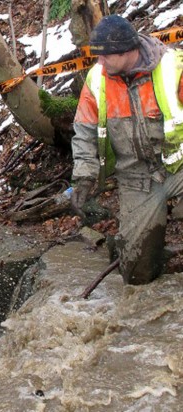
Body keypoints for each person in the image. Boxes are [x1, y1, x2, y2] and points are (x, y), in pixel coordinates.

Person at [71, 15, 183, 285]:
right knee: (136, 275)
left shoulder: (171, 68)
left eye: (104, 56)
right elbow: (84, 132)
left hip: (179, 168)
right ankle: (158, 256)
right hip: (136, 180)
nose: (99, 62)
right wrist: (84, 176)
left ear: (126, 50)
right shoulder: (97, 79)